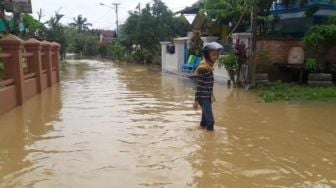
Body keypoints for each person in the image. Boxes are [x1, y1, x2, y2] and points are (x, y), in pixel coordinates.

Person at [193, 42, 223, 131]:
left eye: (217, 54)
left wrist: (211, 96)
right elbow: (199, 86)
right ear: (207, 56)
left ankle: (201, 131)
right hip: (203, 98)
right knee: (211, 121)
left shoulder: (209, 68)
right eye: (214, 55)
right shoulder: (203, 69)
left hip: (207, 97)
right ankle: (209, 141)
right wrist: (196, 101)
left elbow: (208, 84)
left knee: (205, 120)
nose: (216, 57)